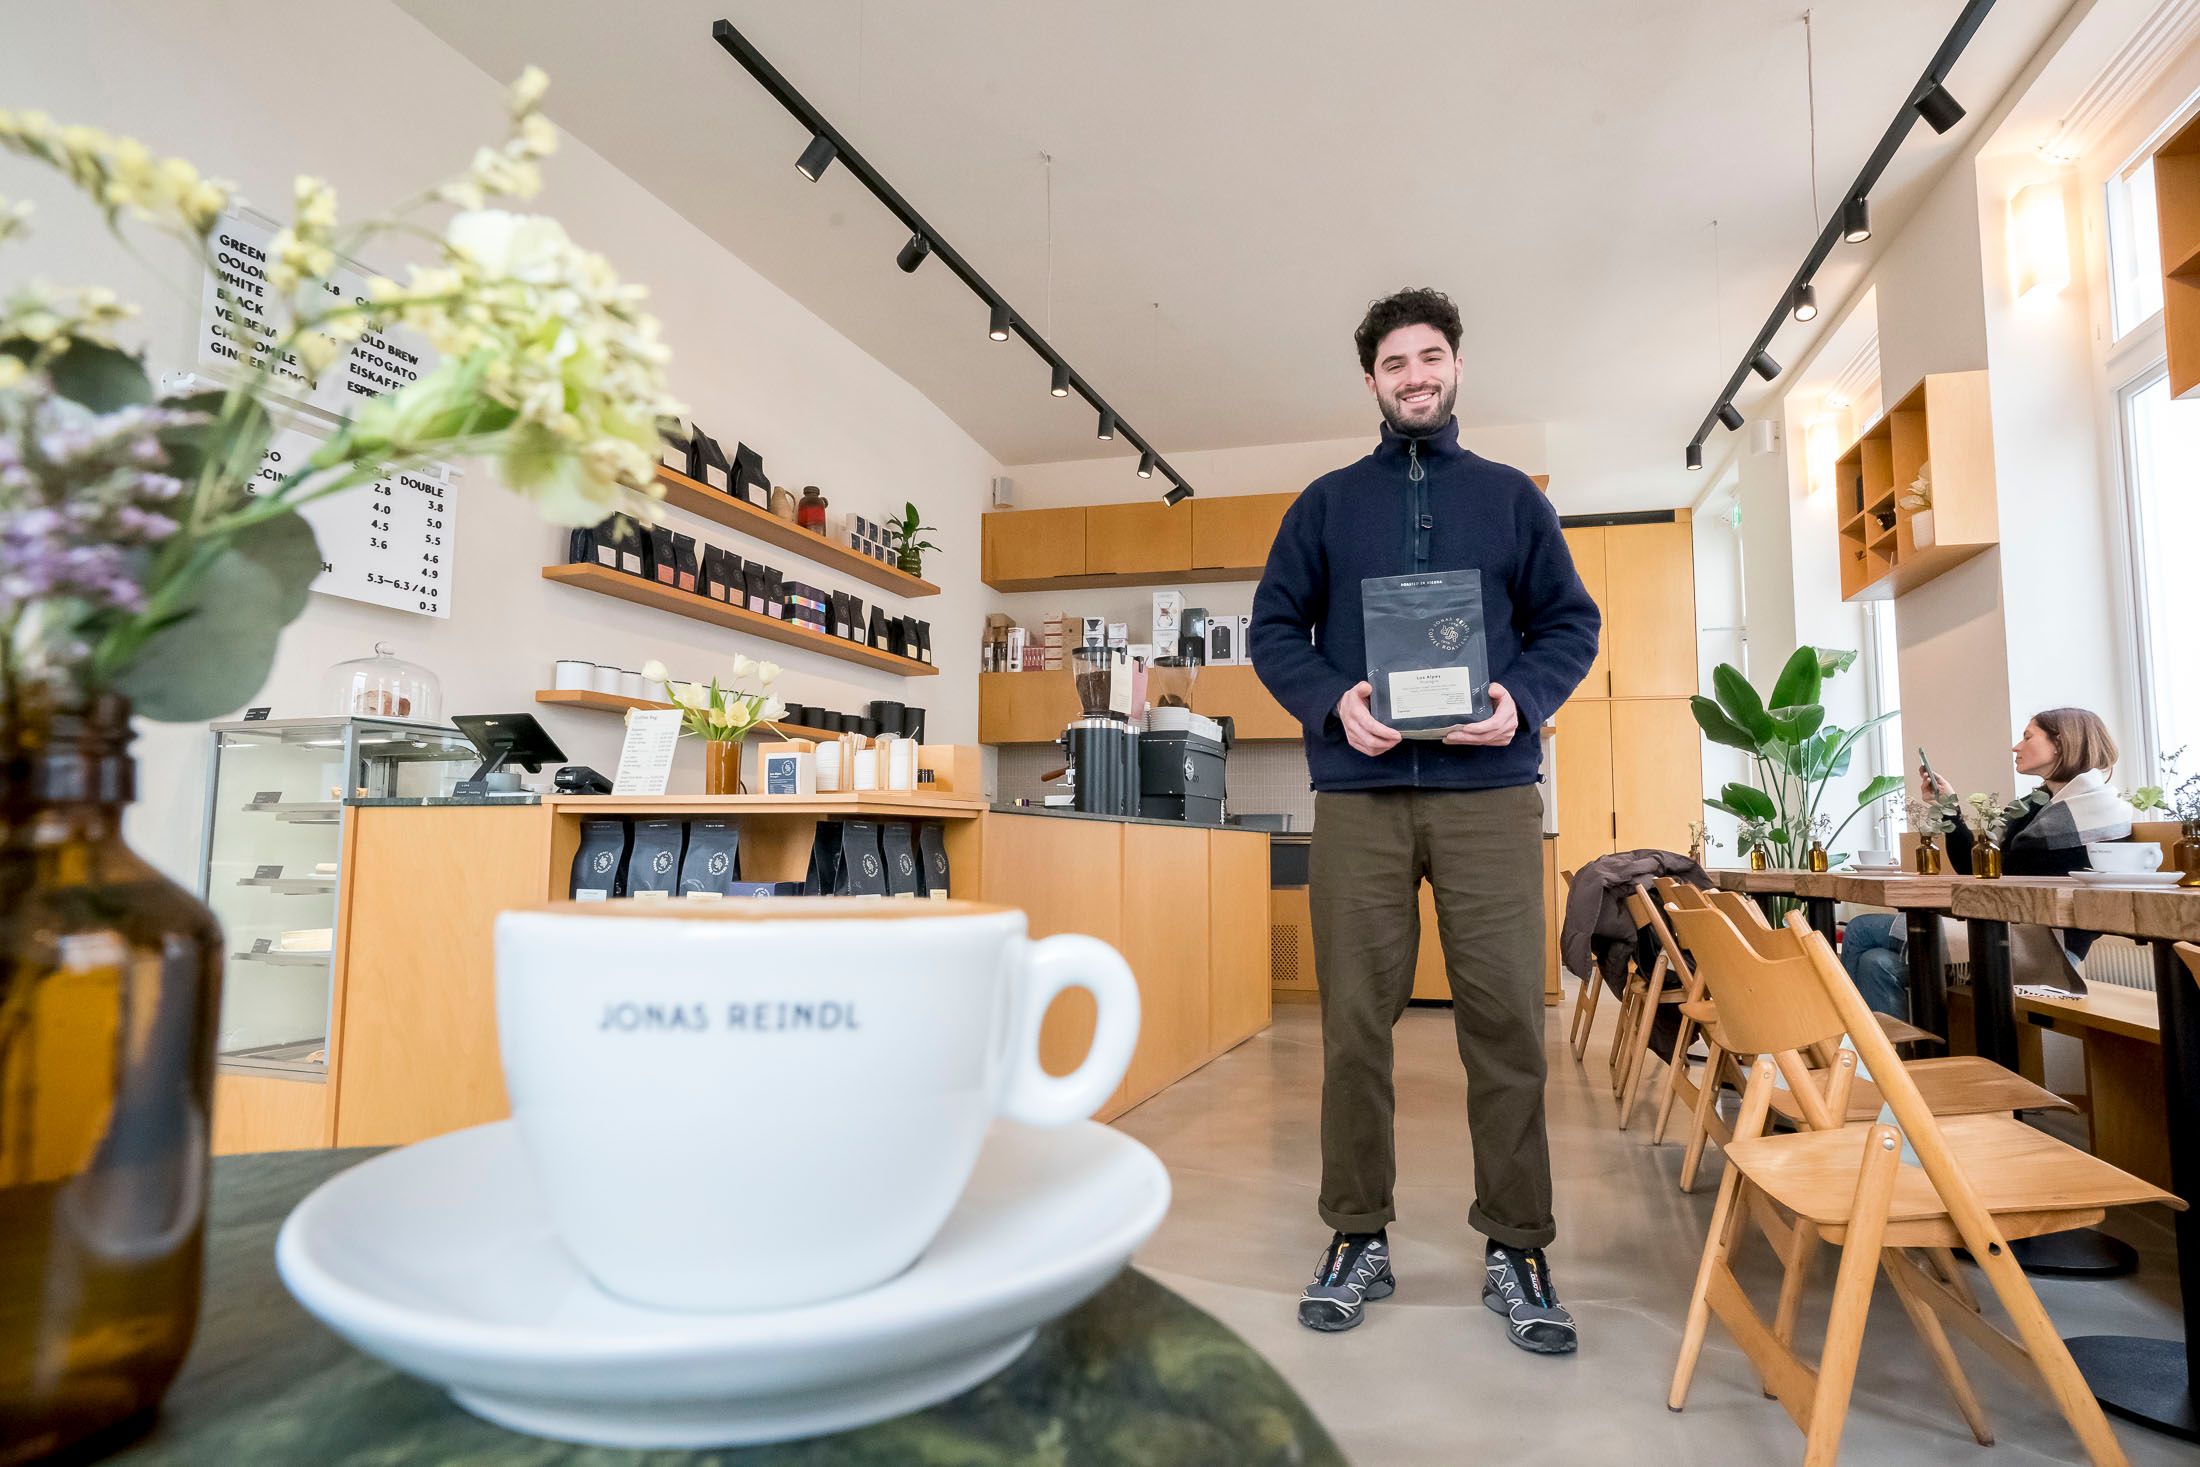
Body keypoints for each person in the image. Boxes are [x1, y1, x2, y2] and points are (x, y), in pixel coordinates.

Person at [1249, 288, 1600, 1353]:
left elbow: (1568, 624)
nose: (1415, 376)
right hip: (1357, 800)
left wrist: (1519, 701)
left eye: (1430, 357)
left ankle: (1517, 1245)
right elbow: (1273, 630)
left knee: (1506, 1027)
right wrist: (1329, 700)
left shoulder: (1510, 499)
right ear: (1370, 381)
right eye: (1395, 363)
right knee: (1352, 1026)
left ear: (1454, 368)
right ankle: (1357, 1234)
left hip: (1489, 798)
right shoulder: (1322, 504)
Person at [1841, 708, 2136, 1016]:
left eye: (2027, 737)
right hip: (2000, 930)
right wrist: (1948, 807)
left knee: (1861, 929)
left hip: (2043, 950)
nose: (2016, 747)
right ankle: (1879, 1064)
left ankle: (1844, 1055)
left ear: (2060, 744)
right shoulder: (2034, 807)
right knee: (1875, 963)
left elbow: (2015, 876)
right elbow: (1978, 870)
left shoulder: (2098, 810)